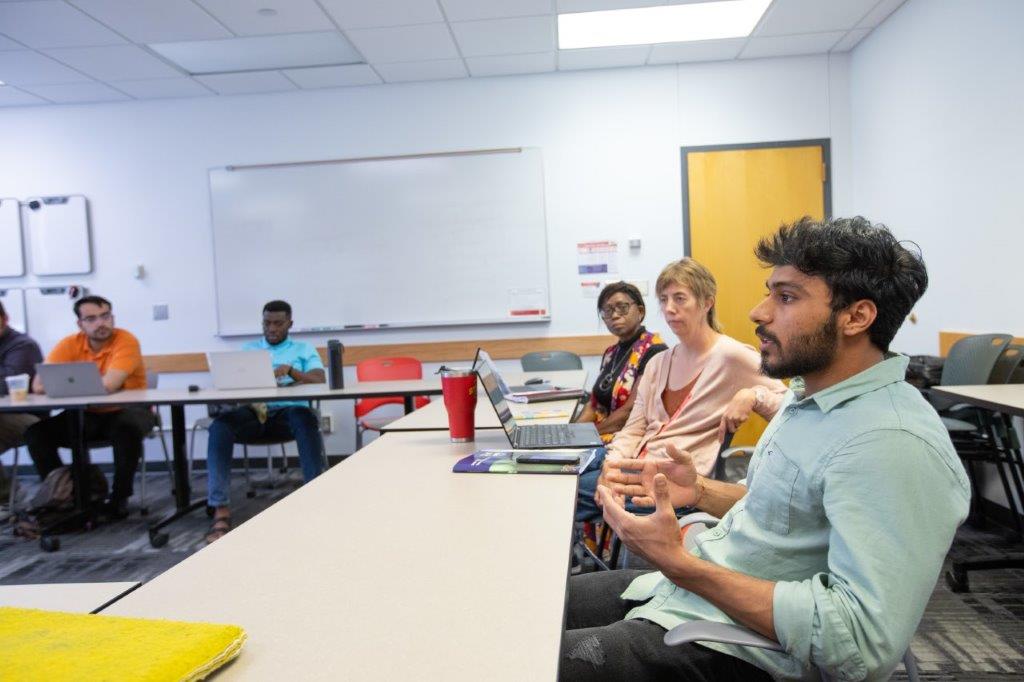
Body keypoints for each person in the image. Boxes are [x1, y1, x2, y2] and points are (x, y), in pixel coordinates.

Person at [560, 217, 971, 681]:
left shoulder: (892, 443)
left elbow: (858, 642)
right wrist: (698, 490)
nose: (759, 312)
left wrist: (677, 563)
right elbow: (793, 511)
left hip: (735, 643)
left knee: (514, 659)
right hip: (699, 589)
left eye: (787, 297)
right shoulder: (810, 400)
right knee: (528, 606)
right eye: (769, 292)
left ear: (857, 317)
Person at [575, 258, 785, 522]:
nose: (669, 308)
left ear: (707, 302)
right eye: (663, 300)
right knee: (561, 474)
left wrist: (753, 395)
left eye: (680, 299)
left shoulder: (731, 356)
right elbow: (633, 429)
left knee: (559, 495)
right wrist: (611, 467)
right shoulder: (657, 363)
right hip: (636, 467)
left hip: (674, 483)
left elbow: (789, 405)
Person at [204, 300, 326, 544]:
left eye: (278, 323)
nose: (271, 328)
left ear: (289, 324)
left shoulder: (303, 349)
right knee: (220, 426)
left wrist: (291, 372)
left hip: (289, 414)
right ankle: (220, 509)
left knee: (306, 419)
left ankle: (317, 497)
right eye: (267, 323)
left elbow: (319, 379)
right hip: (254, 412)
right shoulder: (249, 349)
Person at [25, 295, 153, 519]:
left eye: (105, 316)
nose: (100, 323)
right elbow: (38, 385)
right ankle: (66, 494)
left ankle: (119, 498)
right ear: (80, 324)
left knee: (125, 429)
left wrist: (67, 386)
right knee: (36, 433)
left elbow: (110, 384)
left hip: (130, 410)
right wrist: (86, 387)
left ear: (112, 317)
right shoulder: (69, 344)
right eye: (91, 319)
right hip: (88, 413)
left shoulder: (126, 340)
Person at [575, 282, 668, 443]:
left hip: (631, 438)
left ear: (640, 311)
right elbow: (594, 404)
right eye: (607, 310)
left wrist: (586, 434)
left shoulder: (655, 350)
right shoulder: (611, 353)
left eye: (622, 307)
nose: (615, 315)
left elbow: (630, 412)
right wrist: (573, 432)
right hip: (602, 434)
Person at [0, 301, 44, 515]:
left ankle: (6, 496)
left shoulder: (22, 346)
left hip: (25, 416)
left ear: (4, 319)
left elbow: (6, 384)